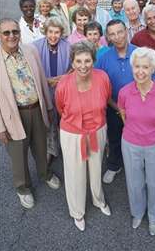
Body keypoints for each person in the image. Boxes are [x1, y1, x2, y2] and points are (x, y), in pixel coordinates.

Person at [0, 18, 60, 209]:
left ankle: (45, 174)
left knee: (41, 147)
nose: (11, 36)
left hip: (36, 108)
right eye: (6, 32)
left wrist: (48, 107)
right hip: (13, 116)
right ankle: (23, 188)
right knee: (18, 155)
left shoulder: (30, 51)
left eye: (15, 31)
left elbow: (41, 80)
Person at [55, 41, 112, 231]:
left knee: (96, 169)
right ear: (72, 63)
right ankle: (77, 212)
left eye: (87, 60)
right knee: (74, 173)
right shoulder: (63, 84)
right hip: (72, 134)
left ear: (93, 61)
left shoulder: (103, 77)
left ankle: (98, 200)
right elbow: (60, 108)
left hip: (97, 130)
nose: (83, 65)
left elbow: (106, 98)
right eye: (78, 61)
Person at [118, 47, 155, 236]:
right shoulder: (124, 92)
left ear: (153, 69)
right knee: (135, 182)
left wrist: (151, 133)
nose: (140, 71)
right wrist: (137, 132)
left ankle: (153, 216)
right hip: (131, 142)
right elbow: (124, 117)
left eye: (145, 67)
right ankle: (138, 212)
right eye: (137, 66)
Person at [95, 20, 137, 184]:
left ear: (126, 31)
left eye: (120, 32)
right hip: (113, 108)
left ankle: (136, 166)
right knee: (114, 138)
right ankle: (114, 165)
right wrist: (118, 108)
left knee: (137, 139)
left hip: (137, 109)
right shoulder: (103, 58)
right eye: (112, 34)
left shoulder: (139, 53)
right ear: (108, 37)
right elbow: (100, 88)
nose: (117, 37)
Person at [33, 17, 71, 163]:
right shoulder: (35, 46)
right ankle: (50, 150)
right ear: (45, 31)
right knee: (47, 121)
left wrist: (62, 78)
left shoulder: (68, 46)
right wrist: (46, 80)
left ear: (61, 33)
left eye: (57, 32)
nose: (53, 36)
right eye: (50, 32)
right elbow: (32, 68)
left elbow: (74, 67)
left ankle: (66, 148)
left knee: (64, 120)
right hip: (44, 90)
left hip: (64, 90)